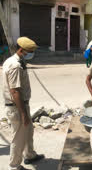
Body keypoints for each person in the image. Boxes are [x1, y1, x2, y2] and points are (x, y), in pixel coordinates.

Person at [3, 37, 45, 170]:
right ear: (21, 50)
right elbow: (14, 91)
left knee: (28, 132)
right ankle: (14, 166)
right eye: (30, 51)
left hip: (21, 105)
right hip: (17, 107)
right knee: (18, 138)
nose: (32, 54)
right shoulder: (14, 65)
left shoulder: (17, 61)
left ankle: (30, 155)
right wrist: (23, 114)